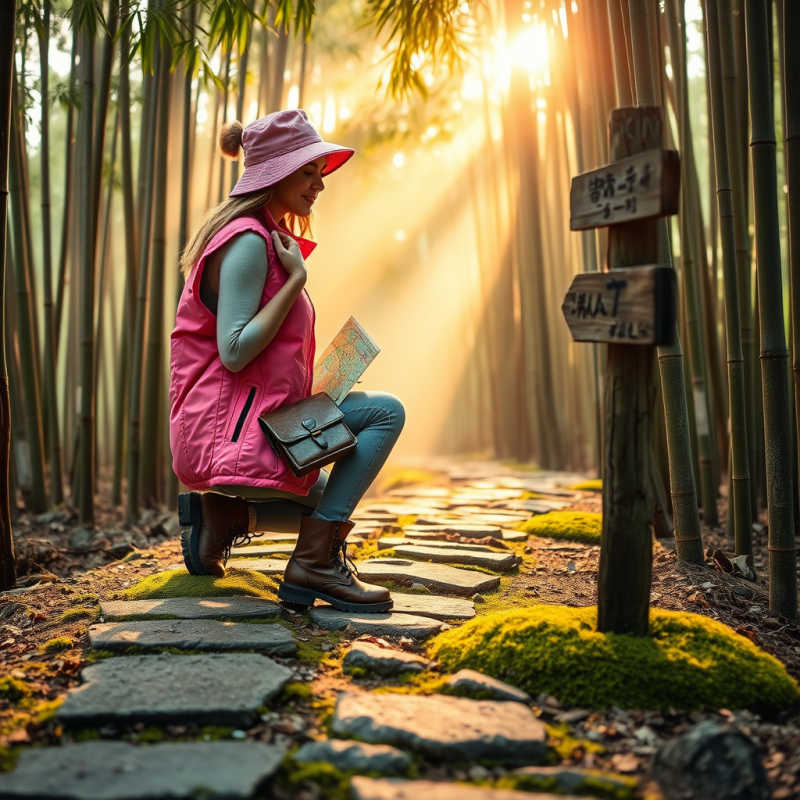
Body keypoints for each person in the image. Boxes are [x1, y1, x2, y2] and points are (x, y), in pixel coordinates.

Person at [169, 109, 405, 613]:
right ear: (275, 172)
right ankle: (313, 564)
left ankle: (228, 519)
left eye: (320, 174)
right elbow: (233, 351)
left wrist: (323, 385)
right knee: (386, 413)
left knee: (326, 500)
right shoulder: (249, 242)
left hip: (247, 424)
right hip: (231, 433)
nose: (319, 185)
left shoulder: (264, 237)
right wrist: (296, 281)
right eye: (308, 172)